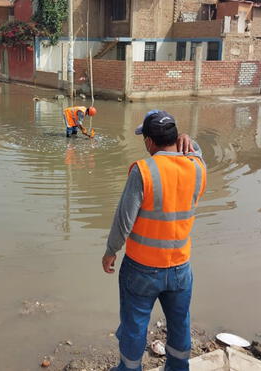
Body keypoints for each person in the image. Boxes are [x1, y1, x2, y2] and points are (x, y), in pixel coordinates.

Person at [102, 110, 207, 371]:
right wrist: (189, 141)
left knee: (135, 324)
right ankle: (178, 367)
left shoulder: (144, 171)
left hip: (142, 268)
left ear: (149, 142)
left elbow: (124, 220)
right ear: (176, 137)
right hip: (181, 268)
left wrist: (110, 250)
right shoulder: (197, 167)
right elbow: (198, 151)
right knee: (180, 322)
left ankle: (130, 368)